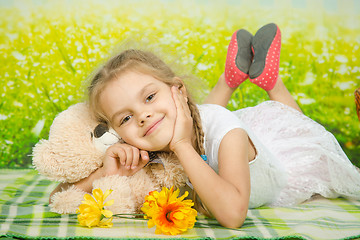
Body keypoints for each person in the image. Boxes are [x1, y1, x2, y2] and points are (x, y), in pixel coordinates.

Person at [50, 23, 360, 228]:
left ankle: (271, 83)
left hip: (280, 166)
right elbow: (59, 197)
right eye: (126, 118)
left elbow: (234, 214)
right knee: (196, 116)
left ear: (177, 89)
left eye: (149, 97)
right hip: (202, 123)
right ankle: (230, 79)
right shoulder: (139, 144)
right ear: (118, 129)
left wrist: (182, 146)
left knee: (298, 128)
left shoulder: (228, 132)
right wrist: (105, 171)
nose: (142, 116)